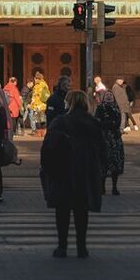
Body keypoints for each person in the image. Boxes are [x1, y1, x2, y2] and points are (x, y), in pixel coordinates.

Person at [40, 90, 103, 258]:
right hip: (86, 172)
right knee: (82, 211)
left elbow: (47, 147)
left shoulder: (60, 121)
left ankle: (62, 247)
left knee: (63, 211)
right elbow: (103, 149)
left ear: (69, 103)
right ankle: (82, 248)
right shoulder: (93, 122)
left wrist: (47, 169)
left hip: (63, 171)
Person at [95, 88, 125, 194]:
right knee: (103, 163)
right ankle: (102, 187)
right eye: (107, 95)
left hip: (115, 139)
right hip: (104, 139)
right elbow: (98, 121)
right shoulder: (100, 108)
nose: (109, 96)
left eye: (110, 95)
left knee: (115, 163)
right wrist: (108, 123)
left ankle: (114, 187)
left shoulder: (116, 108)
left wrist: (108, 123)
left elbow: (117, 122)